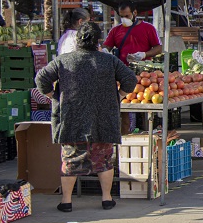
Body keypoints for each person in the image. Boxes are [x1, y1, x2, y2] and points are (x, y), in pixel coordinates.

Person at [35, 22, 138, 212]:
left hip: (71, 117)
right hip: (103, 117)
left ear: (77, 40)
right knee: (104, 158)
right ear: (98, 41)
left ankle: (66, 201)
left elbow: (41, 78)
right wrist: (120, 95)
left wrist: (53, 96)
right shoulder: (109, 60)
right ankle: (107, 199)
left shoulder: (64, 60)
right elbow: (131, 79)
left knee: (70, 159)